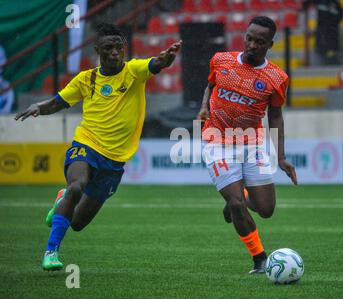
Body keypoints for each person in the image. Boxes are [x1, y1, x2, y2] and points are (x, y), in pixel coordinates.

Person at [14, 23, 182, 271]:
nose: (114, 52)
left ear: (124, 50)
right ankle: (51, 251)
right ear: (97, 51)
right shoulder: (87, 79)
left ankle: (62, 200)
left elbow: (155, 64)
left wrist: (166, 58)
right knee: (76, 186)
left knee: (78, 222)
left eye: (118, 47)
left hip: (114, 160)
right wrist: (40, 107)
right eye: (108, 48)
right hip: (87, 143)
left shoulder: (134, 71)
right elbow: (59, 101)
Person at [196, 16, 298, 274]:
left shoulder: (277, 78)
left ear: (270, 45)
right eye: (249, 38)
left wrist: (281, 157)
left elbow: (275, 116)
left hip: (252, 144)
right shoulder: (221, 60)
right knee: (237, 206)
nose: (252, 45)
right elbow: (210, 85)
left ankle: (237, 195)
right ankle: (260, 259)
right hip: (216, 139)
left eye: (259, 42)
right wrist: (203, 107)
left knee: (266, 209)